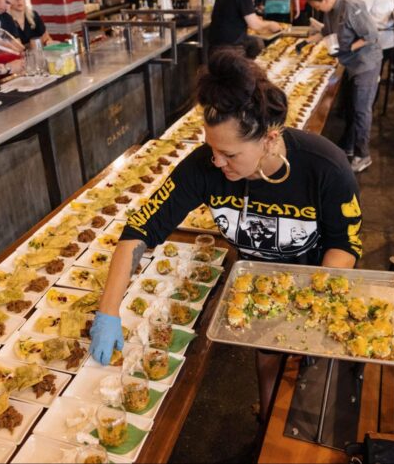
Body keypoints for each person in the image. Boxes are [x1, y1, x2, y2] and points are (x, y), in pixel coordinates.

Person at [88, 48, 363, 423]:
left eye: (229, 154)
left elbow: (344, 243)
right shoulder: (205, 166)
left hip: (316, 280)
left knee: (312, 383)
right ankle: (266, 417)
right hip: (255, 285)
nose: (217, 162)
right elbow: (140, 228)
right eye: (212, 149)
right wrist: (108, 311)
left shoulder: (325, 167)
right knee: (267, 357)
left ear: (269, 138)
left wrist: (312, 303)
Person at [309, 0, 382, 172]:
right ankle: (348, 146)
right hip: (349, 62)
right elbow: (327, 31)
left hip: (366, 63)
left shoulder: (352, 6)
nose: (317, 9)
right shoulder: (330, 10)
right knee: (350, 106)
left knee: (361, 109)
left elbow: (370, 36)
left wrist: (347, 49)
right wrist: (309, 42)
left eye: (317, 6)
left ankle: (363, 154)